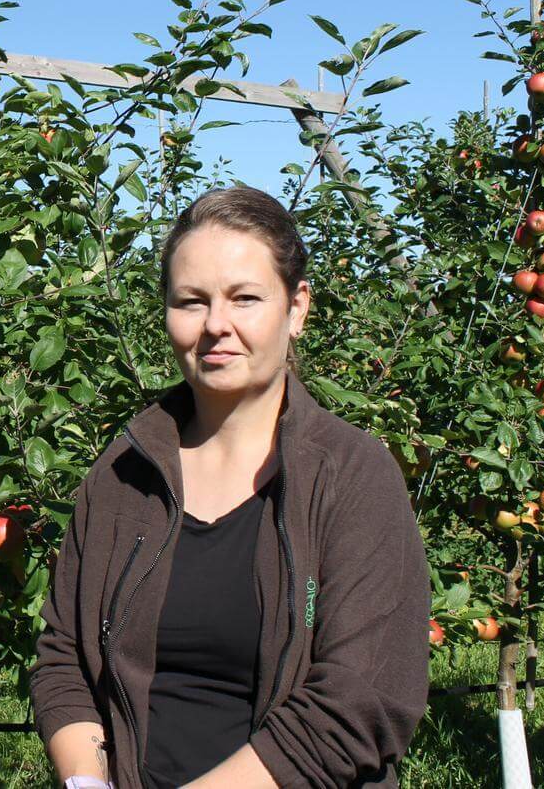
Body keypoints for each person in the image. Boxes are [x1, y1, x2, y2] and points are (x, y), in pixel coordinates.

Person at [30, 186, 430, 789]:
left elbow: (361, 700)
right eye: (191, 302)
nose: (216, 325)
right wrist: (88, 781)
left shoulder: (351, 476)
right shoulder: (124, 473)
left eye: (245, 298)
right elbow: (63, 656)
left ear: (296, 308)